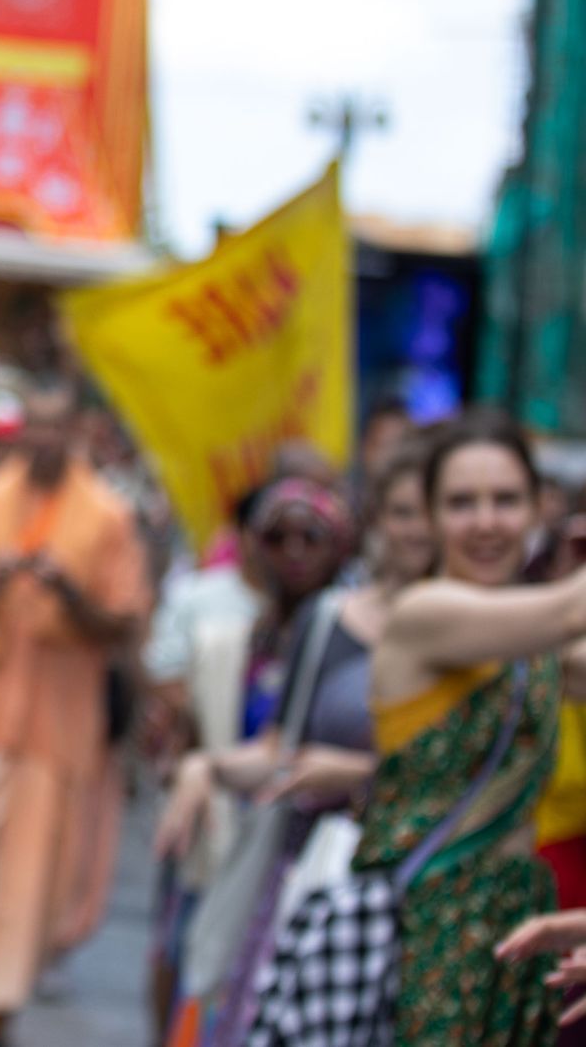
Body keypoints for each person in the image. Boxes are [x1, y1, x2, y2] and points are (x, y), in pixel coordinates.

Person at [158, 456, 430, 1044]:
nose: (420, 527)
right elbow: (281, 752)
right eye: (405, 510)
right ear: (377, 520)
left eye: (434, 511)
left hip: (432, 895)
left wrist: (358, 774)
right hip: (316, 877)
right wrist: (206, 765)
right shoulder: (327, 618)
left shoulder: (498, 638)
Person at [0, 381, 150, 1047]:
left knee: (30, 884)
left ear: (73, 432)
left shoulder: (107, 516)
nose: (44, 441)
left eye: (56, 428)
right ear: (20, 433)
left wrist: (71, 595)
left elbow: (122, 621)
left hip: (57, 731)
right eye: (34, 428)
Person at [347, 411, 571, 1041]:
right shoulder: (426, 612)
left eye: (505, 501)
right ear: (434, 517)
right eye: (461, 503)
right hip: (433, 922)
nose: (485, 523)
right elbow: (569, 609)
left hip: (522, 917)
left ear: (536, 510)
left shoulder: (534, 638)